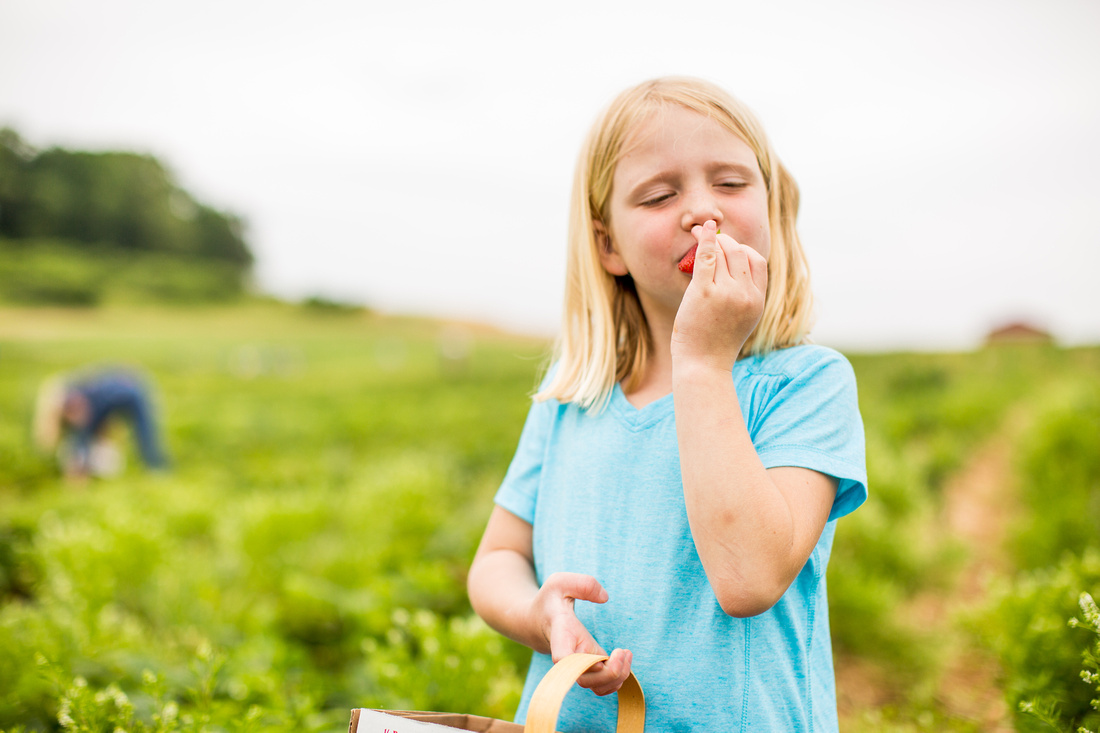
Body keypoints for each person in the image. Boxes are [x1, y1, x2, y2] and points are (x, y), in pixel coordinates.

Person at [466, 77, 867, 732]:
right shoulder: (574, 398)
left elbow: (748, 579)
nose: (702, 211)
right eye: (660, 194)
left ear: (769, 209)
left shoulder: (804, 383)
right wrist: (537, 613)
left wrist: (704, 360)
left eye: (732, 183)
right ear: (609, 246)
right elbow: (495, 560)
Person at [33, 367, 171, 479]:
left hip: (131, 392)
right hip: (120, 390)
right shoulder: (72, 392)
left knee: (145, 434)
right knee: (84, 438)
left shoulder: (71, 395)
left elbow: (83, 426)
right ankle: (156, 469)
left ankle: (157, 470)